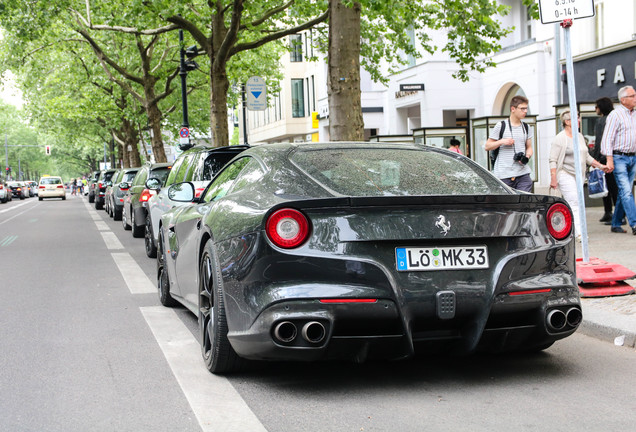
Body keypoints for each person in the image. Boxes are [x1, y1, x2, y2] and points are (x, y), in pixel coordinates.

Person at [549, 110, 606, 239]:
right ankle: (579, 233)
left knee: (579, 202)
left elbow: (586, 156)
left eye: (578, 118)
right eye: (576, 118)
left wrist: (601, 166)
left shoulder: (579, 136)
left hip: (579, 175)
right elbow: (553, 159)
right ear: (567, 122)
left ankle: (574, 229)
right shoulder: (560, 138)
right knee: (574, 201)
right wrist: (553, 178)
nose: (579, 120)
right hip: (565, 173)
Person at [601, 85, 636, 235]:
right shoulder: (615, 115)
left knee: (624, 192)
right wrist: (609, 159)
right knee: (627, 192)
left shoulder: (635, 114)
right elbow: (607, 139)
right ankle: (634, 224)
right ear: (623, 99)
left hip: (633, 157)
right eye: (632, 96)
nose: (635, 98)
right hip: (619, 157)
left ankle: (615, 223)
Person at [485, 95, 534, 192]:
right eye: (522, 109)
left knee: (523, 202)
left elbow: (529, 147)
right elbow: (487, 146)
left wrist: (527, 156)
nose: (525, 111)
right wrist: (502, 141)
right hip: (503, 175)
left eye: (526, 109)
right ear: (513, 109)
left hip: (523, 174)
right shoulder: (501, 125)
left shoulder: (526, 127)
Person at [592, 97, 618, 224]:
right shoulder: (615, 117)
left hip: (604, 158)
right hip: (616, 156)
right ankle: (612, 213)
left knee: (608, 187)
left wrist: (595, 160)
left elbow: (599, 142)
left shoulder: (602, 121)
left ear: (601, 107)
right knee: (613, 187)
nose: (595, 109)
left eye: (596, 107)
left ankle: (613, 213)